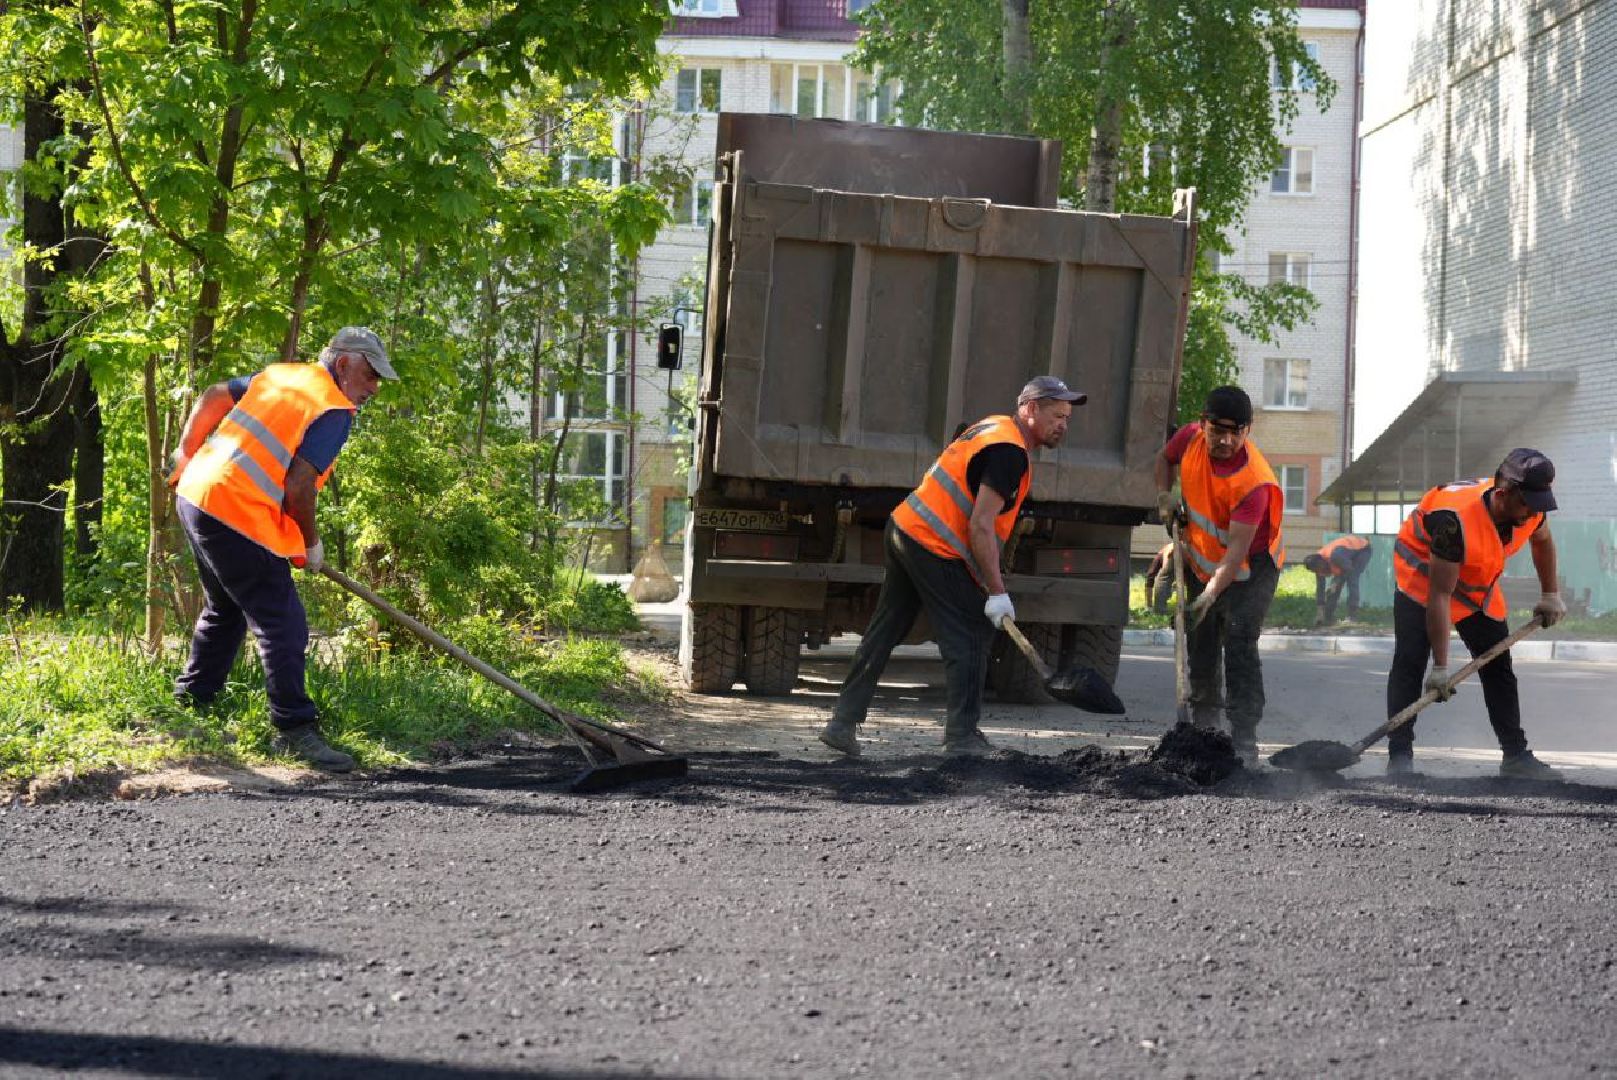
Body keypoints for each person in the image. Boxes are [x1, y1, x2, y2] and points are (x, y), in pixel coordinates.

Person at [168, 327, 399, 772]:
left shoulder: (281, 376)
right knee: (283, 623)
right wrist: (311, 543)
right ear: (344, 363)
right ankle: (294, 730)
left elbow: (216, 394)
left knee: (225, 610)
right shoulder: (334, 409)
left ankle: (191, 704)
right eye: (371, 375)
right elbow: (298, 485)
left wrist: (186, 451)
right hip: (234, 512)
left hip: (197, 496)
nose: (373, 388)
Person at [818, 376, 1084, 757]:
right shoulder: (1009, 453)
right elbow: (980, 526)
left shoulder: (995, 427)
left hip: (906, 527)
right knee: (972, 632)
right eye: (1057, 415)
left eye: (1067, 418)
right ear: (1030, 410)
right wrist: (996, 593)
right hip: (931, 542)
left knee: (884, 630)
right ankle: (961, 738)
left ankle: (842, 723)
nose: (1063, 424)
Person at [1385, 449, 1566, 780]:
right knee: (1410, 662)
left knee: (1498, 666)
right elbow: (1439, 595)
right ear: (1502, 494)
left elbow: (1542, 541)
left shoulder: (1530, 509)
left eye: (1539, 503)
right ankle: (1399, 757)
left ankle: (1515, 756)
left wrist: (1550, 595)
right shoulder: (1452, 520)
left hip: (1474, 585)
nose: (1533, 512)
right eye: (1527, 503)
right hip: (1423, 577)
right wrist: (1440, 668)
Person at [1152, 386, 1285, 766]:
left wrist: (1210, 594)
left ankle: (1244, 739)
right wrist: (1165, 497)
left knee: (1240, 640)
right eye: (1217, 431)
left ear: (1248, 430)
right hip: (1201, 561)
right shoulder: (1189, 440)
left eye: (1236, 432)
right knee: (1201, 641)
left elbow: (1235, 556)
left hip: (1253, 567)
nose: (1225, 440)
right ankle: (1204, 730)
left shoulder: (1254, 484)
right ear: (1203, 423)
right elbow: (1163, 460)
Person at [1303, 534, 1374, 625]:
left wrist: (1335, 582)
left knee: (1352, 579)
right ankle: (1328, 617)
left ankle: (1352, 616)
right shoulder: (1316, 564)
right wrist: (1320, 611)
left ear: (1322, 561)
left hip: (1362, 550)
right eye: (1316, 571)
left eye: (1320, 568)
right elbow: (1320, 589)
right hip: (1346, 556)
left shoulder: (1335, 556)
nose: (1321, 571)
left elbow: (1349, 569)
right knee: (1334, 588)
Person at [1142, 539, 1177, 614]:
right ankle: (1151, 606)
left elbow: (1151, 577)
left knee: (1162, 579)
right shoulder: (1166, 552)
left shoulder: (1163, 554)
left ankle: (1158, 609)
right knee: (1152, 577)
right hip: (1169, 553)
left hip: (1171, 553)